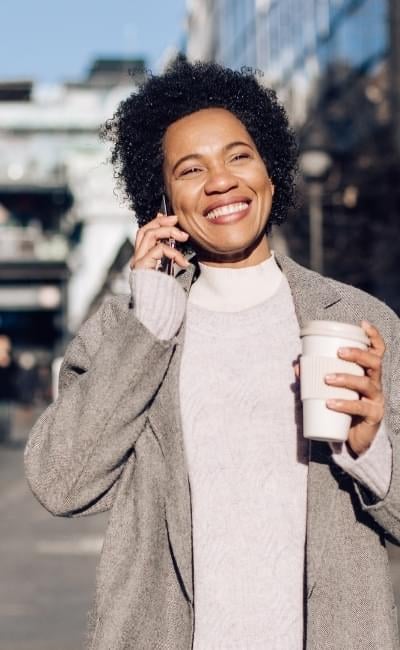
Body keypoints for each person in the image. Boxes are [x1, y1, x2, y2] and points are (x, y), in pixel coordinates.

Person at [24, 60, 400, 650]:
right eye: (191, 169)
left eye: (238, 156)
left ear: (270, 171)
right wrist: (147, 322)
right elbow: (61, 481)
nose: (220, 181)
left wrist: (369, 446)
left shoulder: (359, 323)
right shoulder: (129, 332)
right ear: (164, 200)